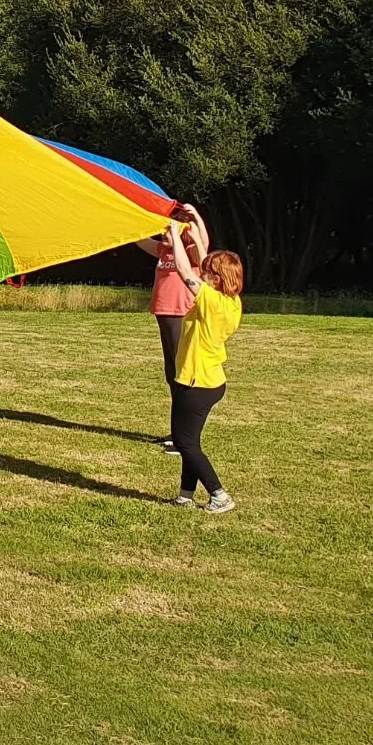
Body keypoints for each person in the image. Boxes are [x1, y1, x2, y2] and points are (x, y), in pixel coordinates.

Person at [164, 221, 243, 513]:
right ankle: (185, 495)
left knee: (184, 442)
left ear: (218, 279)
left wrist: (173, 236)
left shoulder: (212, 301)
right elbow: (202, 258)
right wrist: (192, 229)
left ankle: (220, 495)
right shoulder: (230, 302)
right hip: (210, 381)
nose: (203, 274)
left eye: (209, 273)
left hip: (197, 383)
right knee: (189, 440)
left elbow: (186, 273)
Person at [137, 204, 209, 452]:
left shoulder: (189, 252)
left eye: (168, 229)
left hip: (180, 315)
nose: (163, 233)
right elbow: (139, 241)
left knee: (183, 376)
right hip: (164, 315)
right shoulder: (163, 251)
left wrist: (194, 220)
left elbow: (203, 253)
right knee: (172, 375)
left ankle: (184, 438)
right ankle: (177, 433)